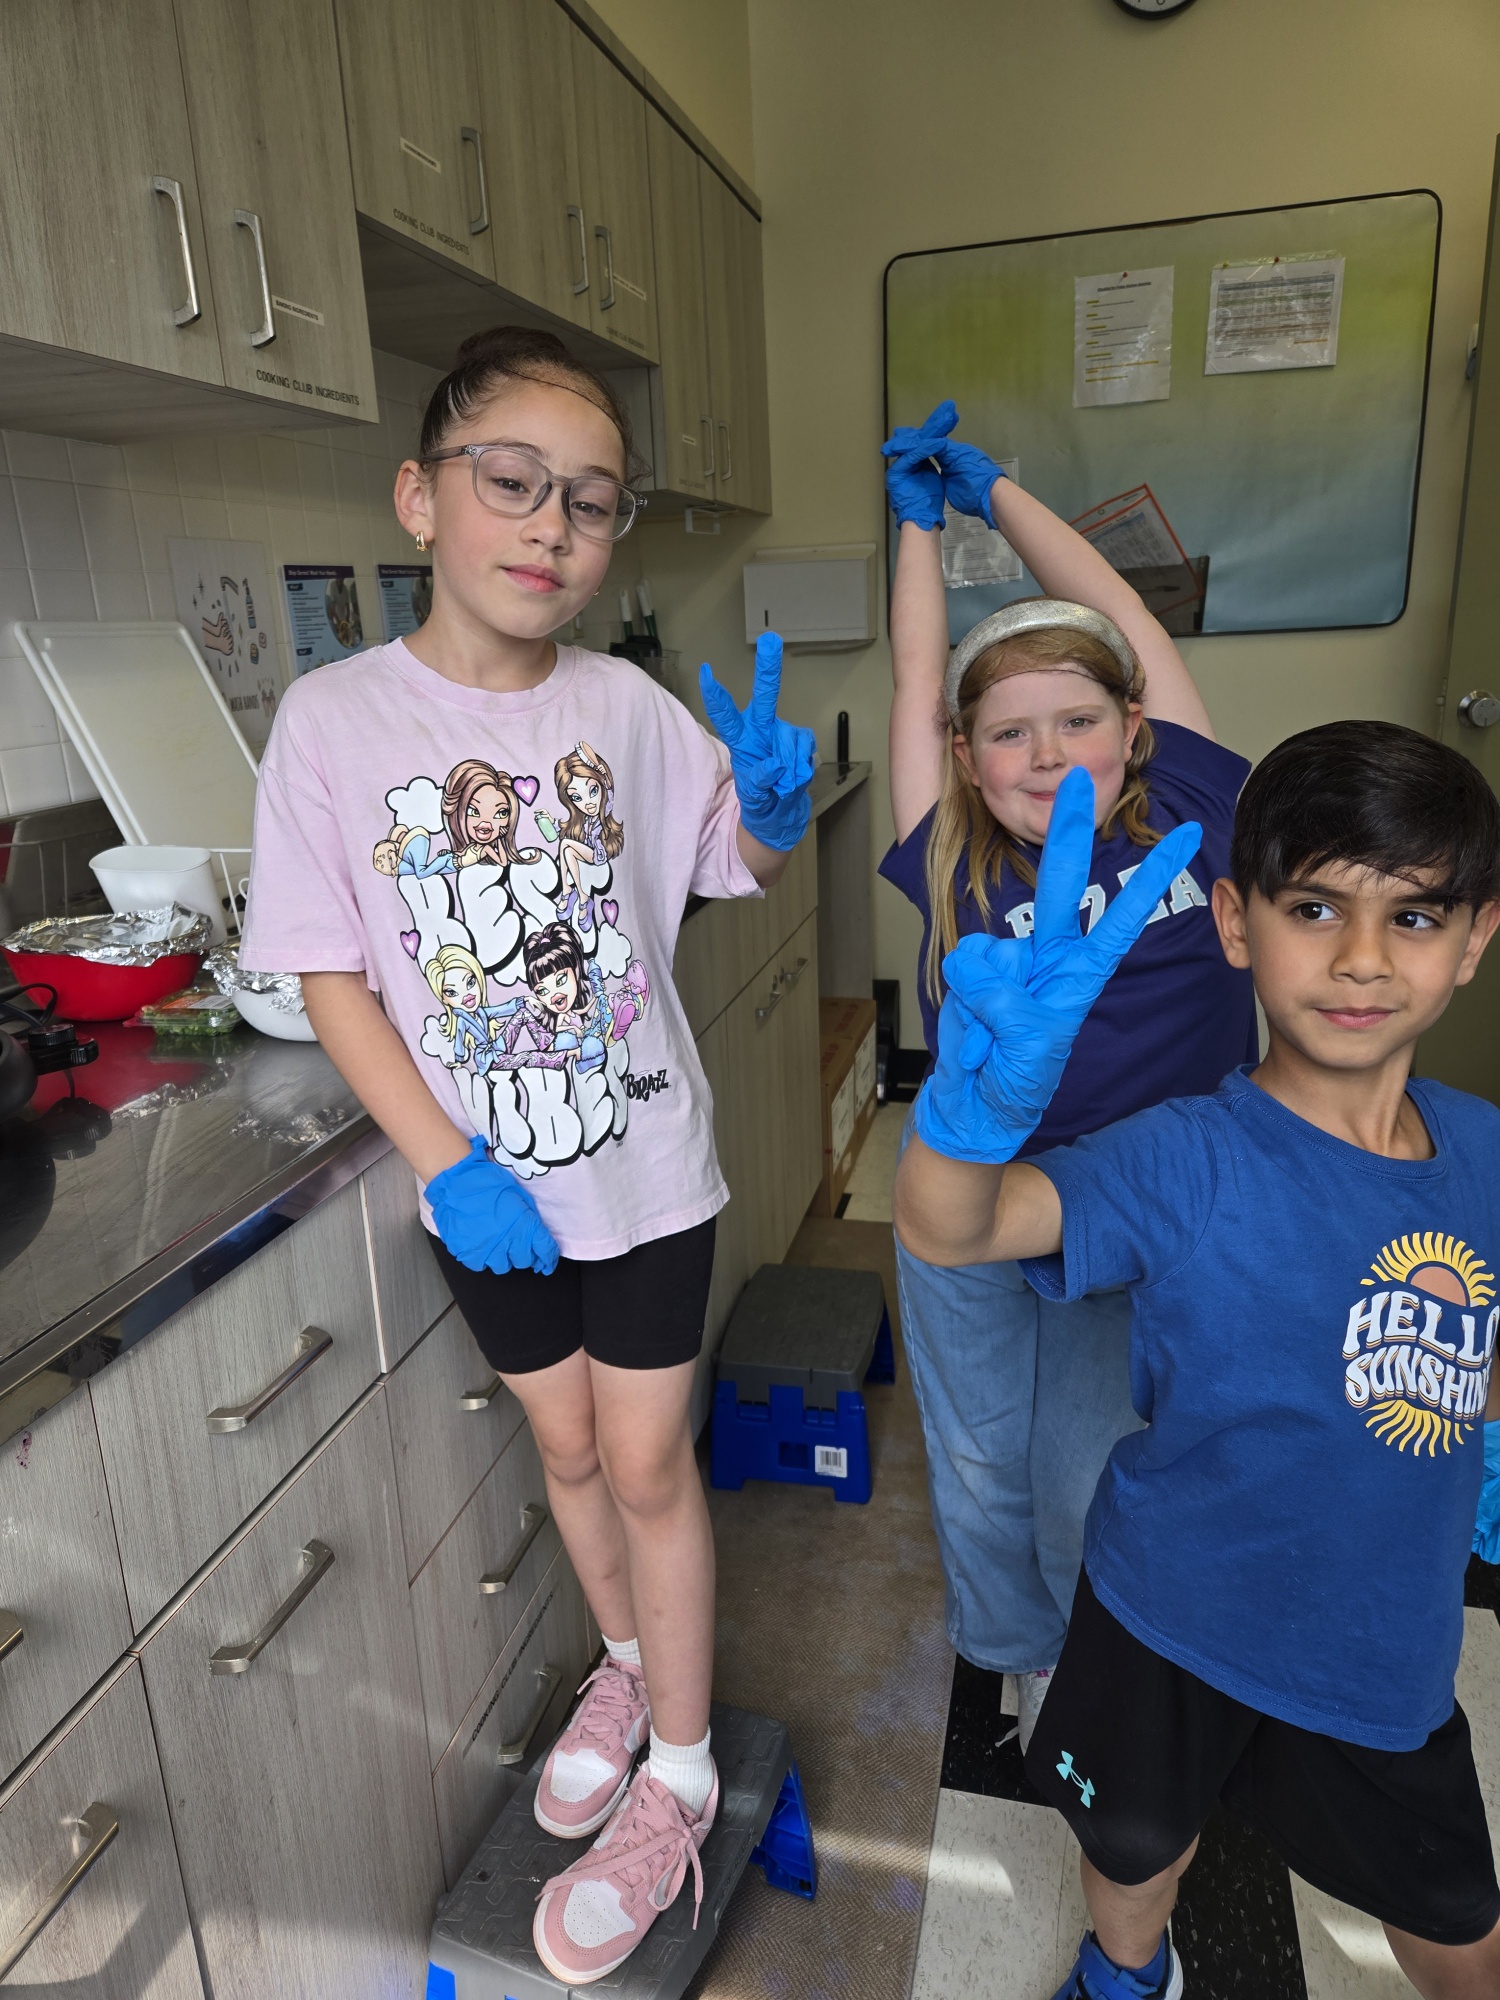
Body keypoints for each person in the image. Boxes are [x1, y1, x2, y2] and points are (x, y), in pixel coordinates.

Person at [239, 324, 816, 1987]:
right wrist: (444, 1163)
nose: (551, 525)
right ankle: (626, 1664)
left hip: (640, 1170)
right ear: (420, 497)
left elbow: (732, 857)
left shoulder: (626, 707)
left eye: (591, 499)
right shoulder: (334, 721)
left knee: (646, 1464)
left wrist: (770, 812)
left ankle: (680, 1776)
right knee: (563, 1448)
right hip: (482, 1190)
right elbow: (327, 971)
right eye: (512, 481)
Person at [894, 726, 1500, 2000]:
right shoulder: (1182, 1154)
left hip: (1379, 1641)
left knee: (1453, 1917)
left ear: (1473, 939)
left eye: (1413, 915)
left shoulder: (1486, 1151)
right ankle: (1128, 1970)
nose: (1362, 957)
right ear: (1235, 922)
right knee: (1130, 1847)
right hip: (1164, 1613)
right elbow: (959, 1228)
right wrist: (968, 1122)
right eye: (1314, 907)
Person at [878, 401, 1256, 1744]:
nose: (1046, 753)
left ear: (1134, 728)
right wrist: (916, 535)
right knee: (978, 1446)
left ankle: (1104, 1638)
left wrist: (997, 498)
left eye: (1079, 719)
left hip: (1131, 1205)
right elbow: (916, 676)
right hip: (967, 1182)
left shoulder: (1197, 808)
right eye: (1009, 732)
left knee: (1083, 1460)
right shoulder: (951, 853)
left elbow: (1127, 616)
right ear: (965, 760)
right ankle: (1018, 1650)